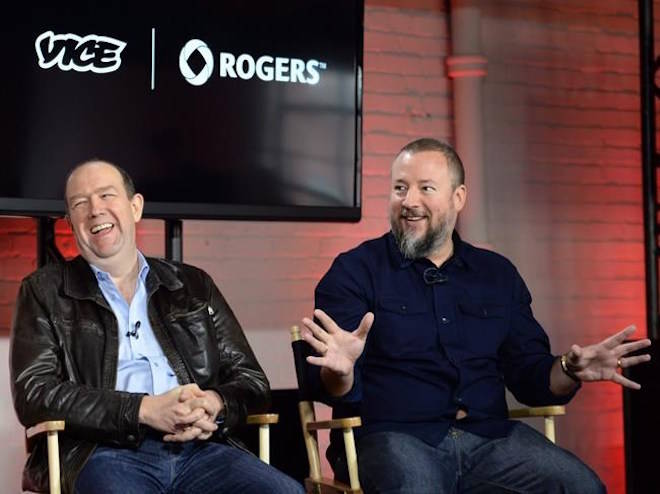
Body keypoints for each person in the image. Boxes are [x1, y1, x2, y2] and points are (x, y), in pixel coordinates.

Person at [301, 138, 651, 494]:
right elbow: (334, 391)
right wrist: (339, 372)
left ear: (458, 198)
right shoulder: (354, 271)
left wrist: (567, 370)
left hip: (490, 440)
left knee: (582, 486)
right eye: (399, 188)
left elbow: (530, 376)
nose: (409, 201)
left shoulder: (496, 275)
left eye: (426, 188)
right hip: (393, 438)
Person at [10, 160, 304, 494]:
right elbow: (34, 393)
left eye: (107, 195)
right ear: (70, 222)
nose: (95, 210)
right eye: (80, 203)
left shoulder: (193, 285)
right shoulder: (43, 290)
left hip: (200, 449)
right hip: (102, 452)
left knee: (286, 491)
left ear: (135, 207)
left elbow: (253, 383)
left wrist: (214, 402)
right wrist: (142, 410)